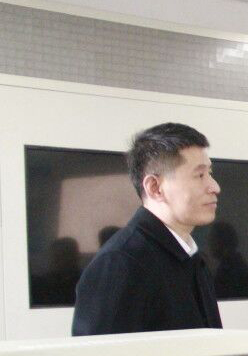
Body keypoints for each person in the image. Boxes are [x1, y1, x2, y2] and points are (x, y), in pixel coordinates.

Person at [72, 122, 222, 335]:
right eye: (199, 175)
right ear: (155, 187)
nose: (215, 187)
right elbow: (99, 354)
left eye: (210, 173)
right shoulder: (120, 263)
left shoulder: (192, 259)